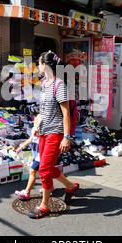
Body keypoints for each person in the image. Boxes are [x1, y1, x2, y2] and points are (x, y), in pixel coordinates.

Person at [27, 51, 79, 219]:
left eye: (39, 63)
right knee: (47, 167)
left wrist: (66, 137)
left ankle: (44, 206)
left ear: (45, 65)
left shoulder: (59, 85)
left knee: (43, 169)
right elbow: (43, 110)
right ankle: (70, 186)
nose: (38, 66)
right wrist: (36, 125)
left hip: (55, 133)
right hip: (43, 132)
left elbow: (66, 114)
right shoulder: (44, 84)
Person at [14, 114, 55, 200]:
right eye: (35, 119)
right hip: (36, 154)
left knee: (32, 171)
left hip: (42, 156)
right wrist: (21, 147)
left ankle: (27, 192)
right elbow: (30, 139)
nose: (34, 120)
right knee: (46, 172)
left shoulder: (46, 131)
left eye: (37, 120)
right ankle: (50, 187)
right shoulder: (34, 129)